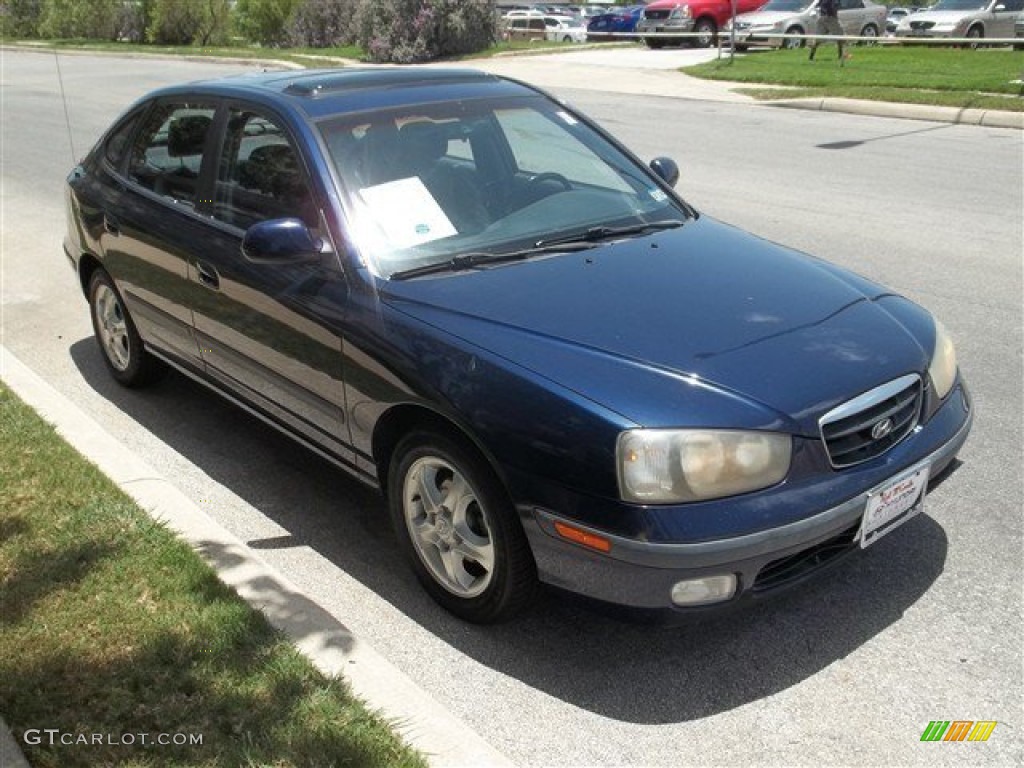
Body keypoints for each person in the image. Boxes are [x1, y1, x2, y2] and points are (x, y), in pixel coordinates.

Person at [808, 0, 848, 65]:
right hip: (831, 18)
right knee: (841, 38)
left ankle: (811, 56)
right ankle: (841, 56)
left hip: (822, 18)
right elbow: (834, 6)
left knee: (818, 40)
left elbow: (819, 5)